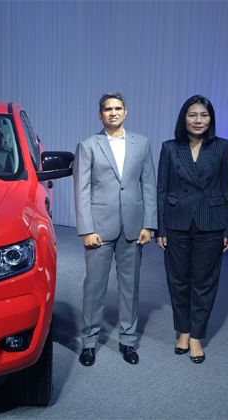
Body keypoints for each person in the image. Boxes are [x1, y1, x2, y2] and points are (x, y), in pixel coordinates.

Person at [73, 92, 157, 366]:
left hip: (133, 227)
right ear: (100, 114)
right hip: (98, 228)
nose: (113, 113)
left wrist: (149, 224)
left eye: (117, 108)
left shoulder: (142, 144)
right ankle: (89, 343)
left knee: (130, 288)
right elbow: (81, 191)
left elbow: (149, 186)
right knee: (94, 288)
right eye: (107, 109)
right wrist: (86, 229)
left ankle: (128, 341)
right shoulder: (88, 146)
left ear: (125, 112)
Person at [155, 95, 228, 364]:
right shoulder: (169, 148)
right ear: (184, 118)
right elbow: (162, 190)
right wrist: (161, 228)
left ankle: (197, 337)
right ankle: (183, 331)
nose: (198, 120)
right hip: (176, 222)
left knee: (204, 282)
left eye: (204, 115)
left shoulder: (222, 147)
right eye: (193, 115)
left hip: (211, 222)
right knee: (178, 281)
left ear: (210, 118)